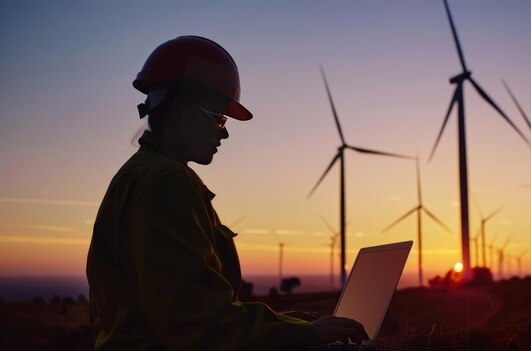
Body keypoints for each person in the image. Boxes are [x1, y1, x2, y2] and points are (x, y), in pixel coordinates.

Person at [86, 36, 368, 350]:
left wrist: (286, 323)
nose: (226, 131)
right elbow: (196, 326)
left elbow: (176, 309)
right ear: (180, 107)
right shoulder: (166, 183)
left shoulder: (139, 175)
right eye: (219, 116)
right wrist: (306, 335)